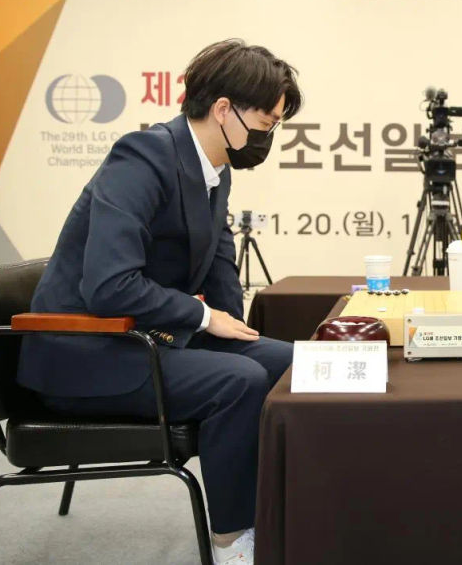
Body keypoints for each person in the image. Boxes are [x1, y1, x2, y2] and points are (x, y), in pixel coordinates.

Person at [17, 39, 303, 565]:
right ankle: (231, 541)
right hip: (82, 354)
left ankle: (282, 512)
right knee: (238, 381)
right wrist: (205, 318)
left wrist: (236, 330)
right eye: (266, 123)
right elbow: (109, 286)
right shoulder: (143, 156)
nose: (268, 136)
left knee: (287, 362)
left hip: (141, 337)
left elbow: (219, 268)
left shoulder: (215, 171)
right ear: (224, 110)